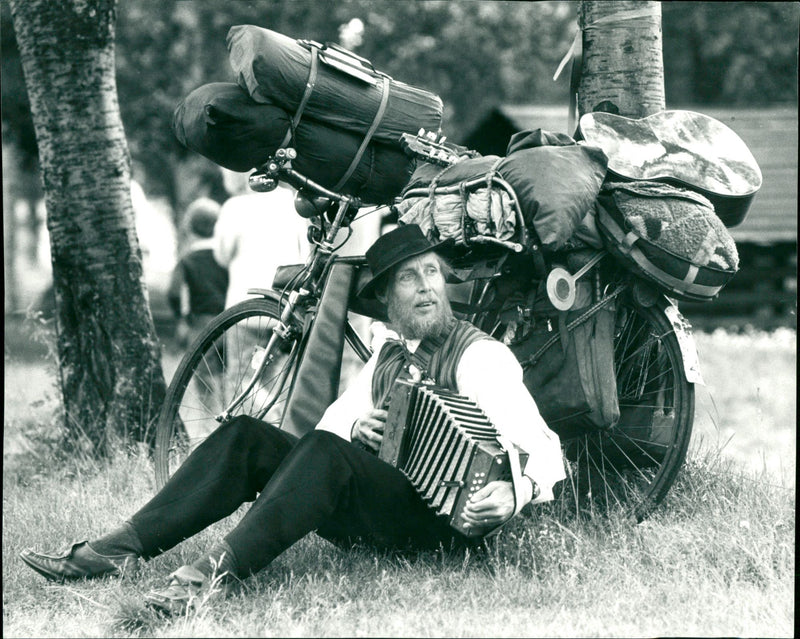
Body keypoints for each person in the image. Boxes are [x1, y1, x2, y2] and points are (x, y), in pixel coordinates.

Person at [19, 224, 566, 616]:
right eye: (408, 279)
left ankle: (203, 581)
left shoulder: (480, 357)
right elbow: (324, 436)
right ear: (384, 299)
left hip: (445, 527)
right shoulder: (387, 356)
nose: (425, 285)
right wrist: (357, 432)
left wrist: (510, 496)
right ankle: (116, 549)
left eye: (431, 273)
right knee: (245, 436)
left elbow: (545, 450)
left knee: (326, 454)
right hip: (383, 510)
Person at [213, 169, 309, 309]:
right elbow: (305, 250)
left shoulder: (234, 207)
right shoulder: (290, 199)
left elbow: (222, 256)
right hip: (285, 300)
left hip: (244, 302)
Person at [167, 197, 229, 345]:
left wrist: (182, 318)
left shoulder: (187, 260)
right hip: (230, 319)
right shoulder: (226, 257)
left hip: (201, 323)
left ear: (190, 226)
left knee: (200, 366)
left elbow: (174, 292)